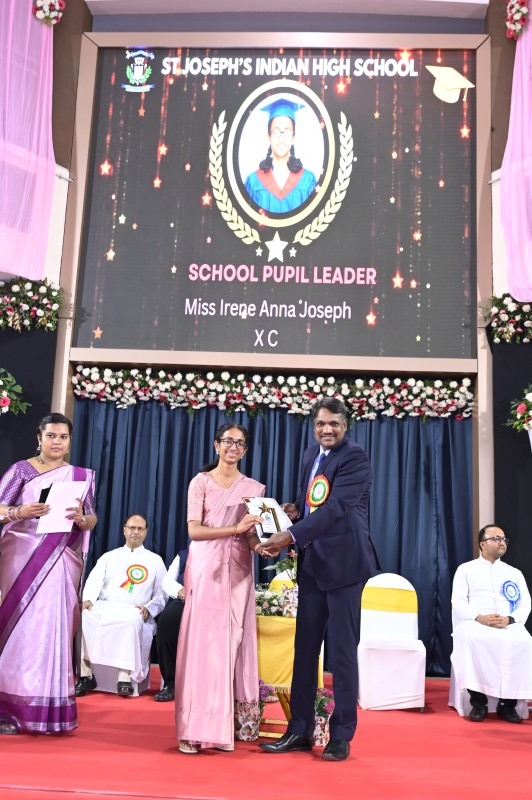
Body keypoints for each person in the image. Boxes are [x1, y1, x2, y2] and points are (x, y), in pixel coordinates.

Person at [259, 397, 379, 762]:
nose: (327, 430)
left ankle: (341, 735)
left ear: (346, 426)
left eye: (334, 424)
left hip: (345, 568)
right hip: (312, 564)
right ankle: (299, 729)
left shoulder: (355, 458)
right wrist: (294, 511)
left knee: (341, 655)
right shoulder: (311, 454)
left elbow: (337, 509)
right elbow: (312, 502)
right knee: (305, 651)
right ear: (314, 426)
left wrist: (289, 535)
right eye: (321, 424)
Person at [0, 412, 97, 735]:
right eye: (51, 436)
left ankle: (48, 707)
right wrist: (19, 511)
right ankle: (9, 708)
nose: (57, 442)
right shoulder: (21, 470)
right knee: (21, 631)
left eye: (63, 437)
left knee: (52, 630)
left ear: (69, 442)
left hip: (61, 561)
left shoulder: (80, 476)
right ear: (39, 438)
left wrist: (82, 519)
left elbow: (91, 518)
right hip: (21, 559)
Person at [175, 423, 265, 754]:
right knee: (203, 647)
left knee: (231, 645)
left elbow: (251, 534)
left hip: (239, 570)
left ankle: (223, 728)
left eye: (240, 443)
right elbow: (194, 531)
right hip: (206, 567)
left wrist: (261, 546)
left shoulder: (253, 489)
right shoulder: (200, 482)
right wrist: (235, 528)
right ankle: (192, 730)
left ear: (245, 450)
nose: (233, 447)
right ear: (216, 445)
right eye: (228, 441)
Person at [76, 514, 167, 698]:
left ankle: (124, 678)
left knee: (130, 620)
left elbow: (162, 593)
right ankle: (86, 675)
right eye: (132, 528)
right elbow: (94, 581)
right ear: (124, 530)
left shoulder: (155, 560)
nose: (135, 532)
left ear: (146, 532)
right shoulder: (109, 557)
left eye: (140, 529)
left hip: (134, 608)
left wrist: (150, 608)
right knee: (84, 617)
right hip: (105, 606)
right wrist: (88, 599)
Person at [450, 524, 532, 723]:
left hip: (507, 623)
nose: (502, 542)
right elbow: (458, 601)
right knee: (471, 639)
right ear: (482, 544)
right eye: (496, 539)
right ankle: (478, 703)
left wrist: (510, 619)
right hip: (476, 622)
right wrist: (479, 617)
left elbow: (525, 603)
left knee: (524, 642)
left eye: (504, 539)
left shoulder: (514, 573)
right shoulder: (466, 569)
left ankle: (508, 705)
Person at [244, 97, 317, 213]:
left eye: (287, 131)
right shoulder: (253, 182)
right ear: (268, 136)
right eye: (276, 131)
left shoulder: (308, 181)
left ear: (294, 137)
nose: (281, 138)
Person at [154, 548, 188, 702]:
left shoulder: (222, 551)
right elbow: (167, 581)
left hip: (211, 601)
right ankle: (170, 682)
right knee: (167, 621)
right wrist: (180, 591)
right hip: (184, 599)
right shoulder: (184, 554)